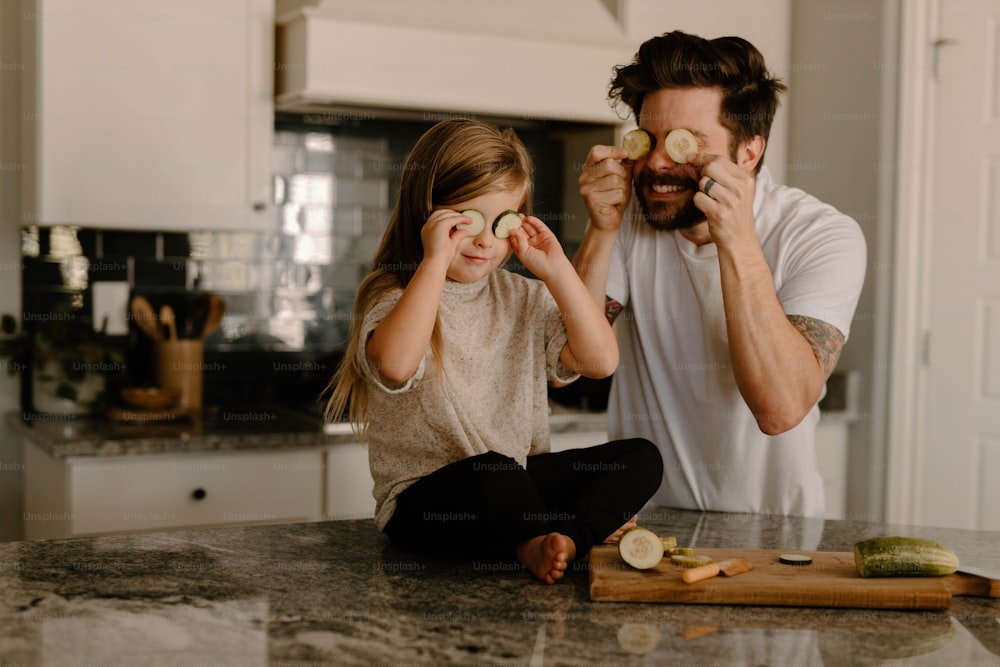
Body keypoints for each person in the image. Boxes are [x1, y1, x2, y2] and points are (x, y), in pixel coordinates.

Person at [325, 118, 663, 584]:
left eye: (501, 222)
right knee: (495, 473)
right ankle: (547, 536)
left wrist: (558, 270)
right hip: (428, 505)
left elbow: (600, 361)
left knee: (640, 458)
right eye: (468, 221)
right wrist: (434, 262)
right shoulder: (393, 295)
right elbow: (398, 365)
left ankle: (563, 538)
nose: (486, 240)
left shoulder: (524, 296)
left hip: (516, 487)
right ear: (429, 215)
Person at [574, 31, 867, 519]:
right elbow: (569, 367)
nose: (658, 162)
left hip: (775, 532)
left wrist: (736, 238)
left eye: (685, 143)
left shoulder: (822, 234)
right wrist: (601, 230)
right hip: (641, 524)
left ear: (749, 152)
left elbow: (780, 409)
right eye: (648, 139)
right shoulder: (627, 221)